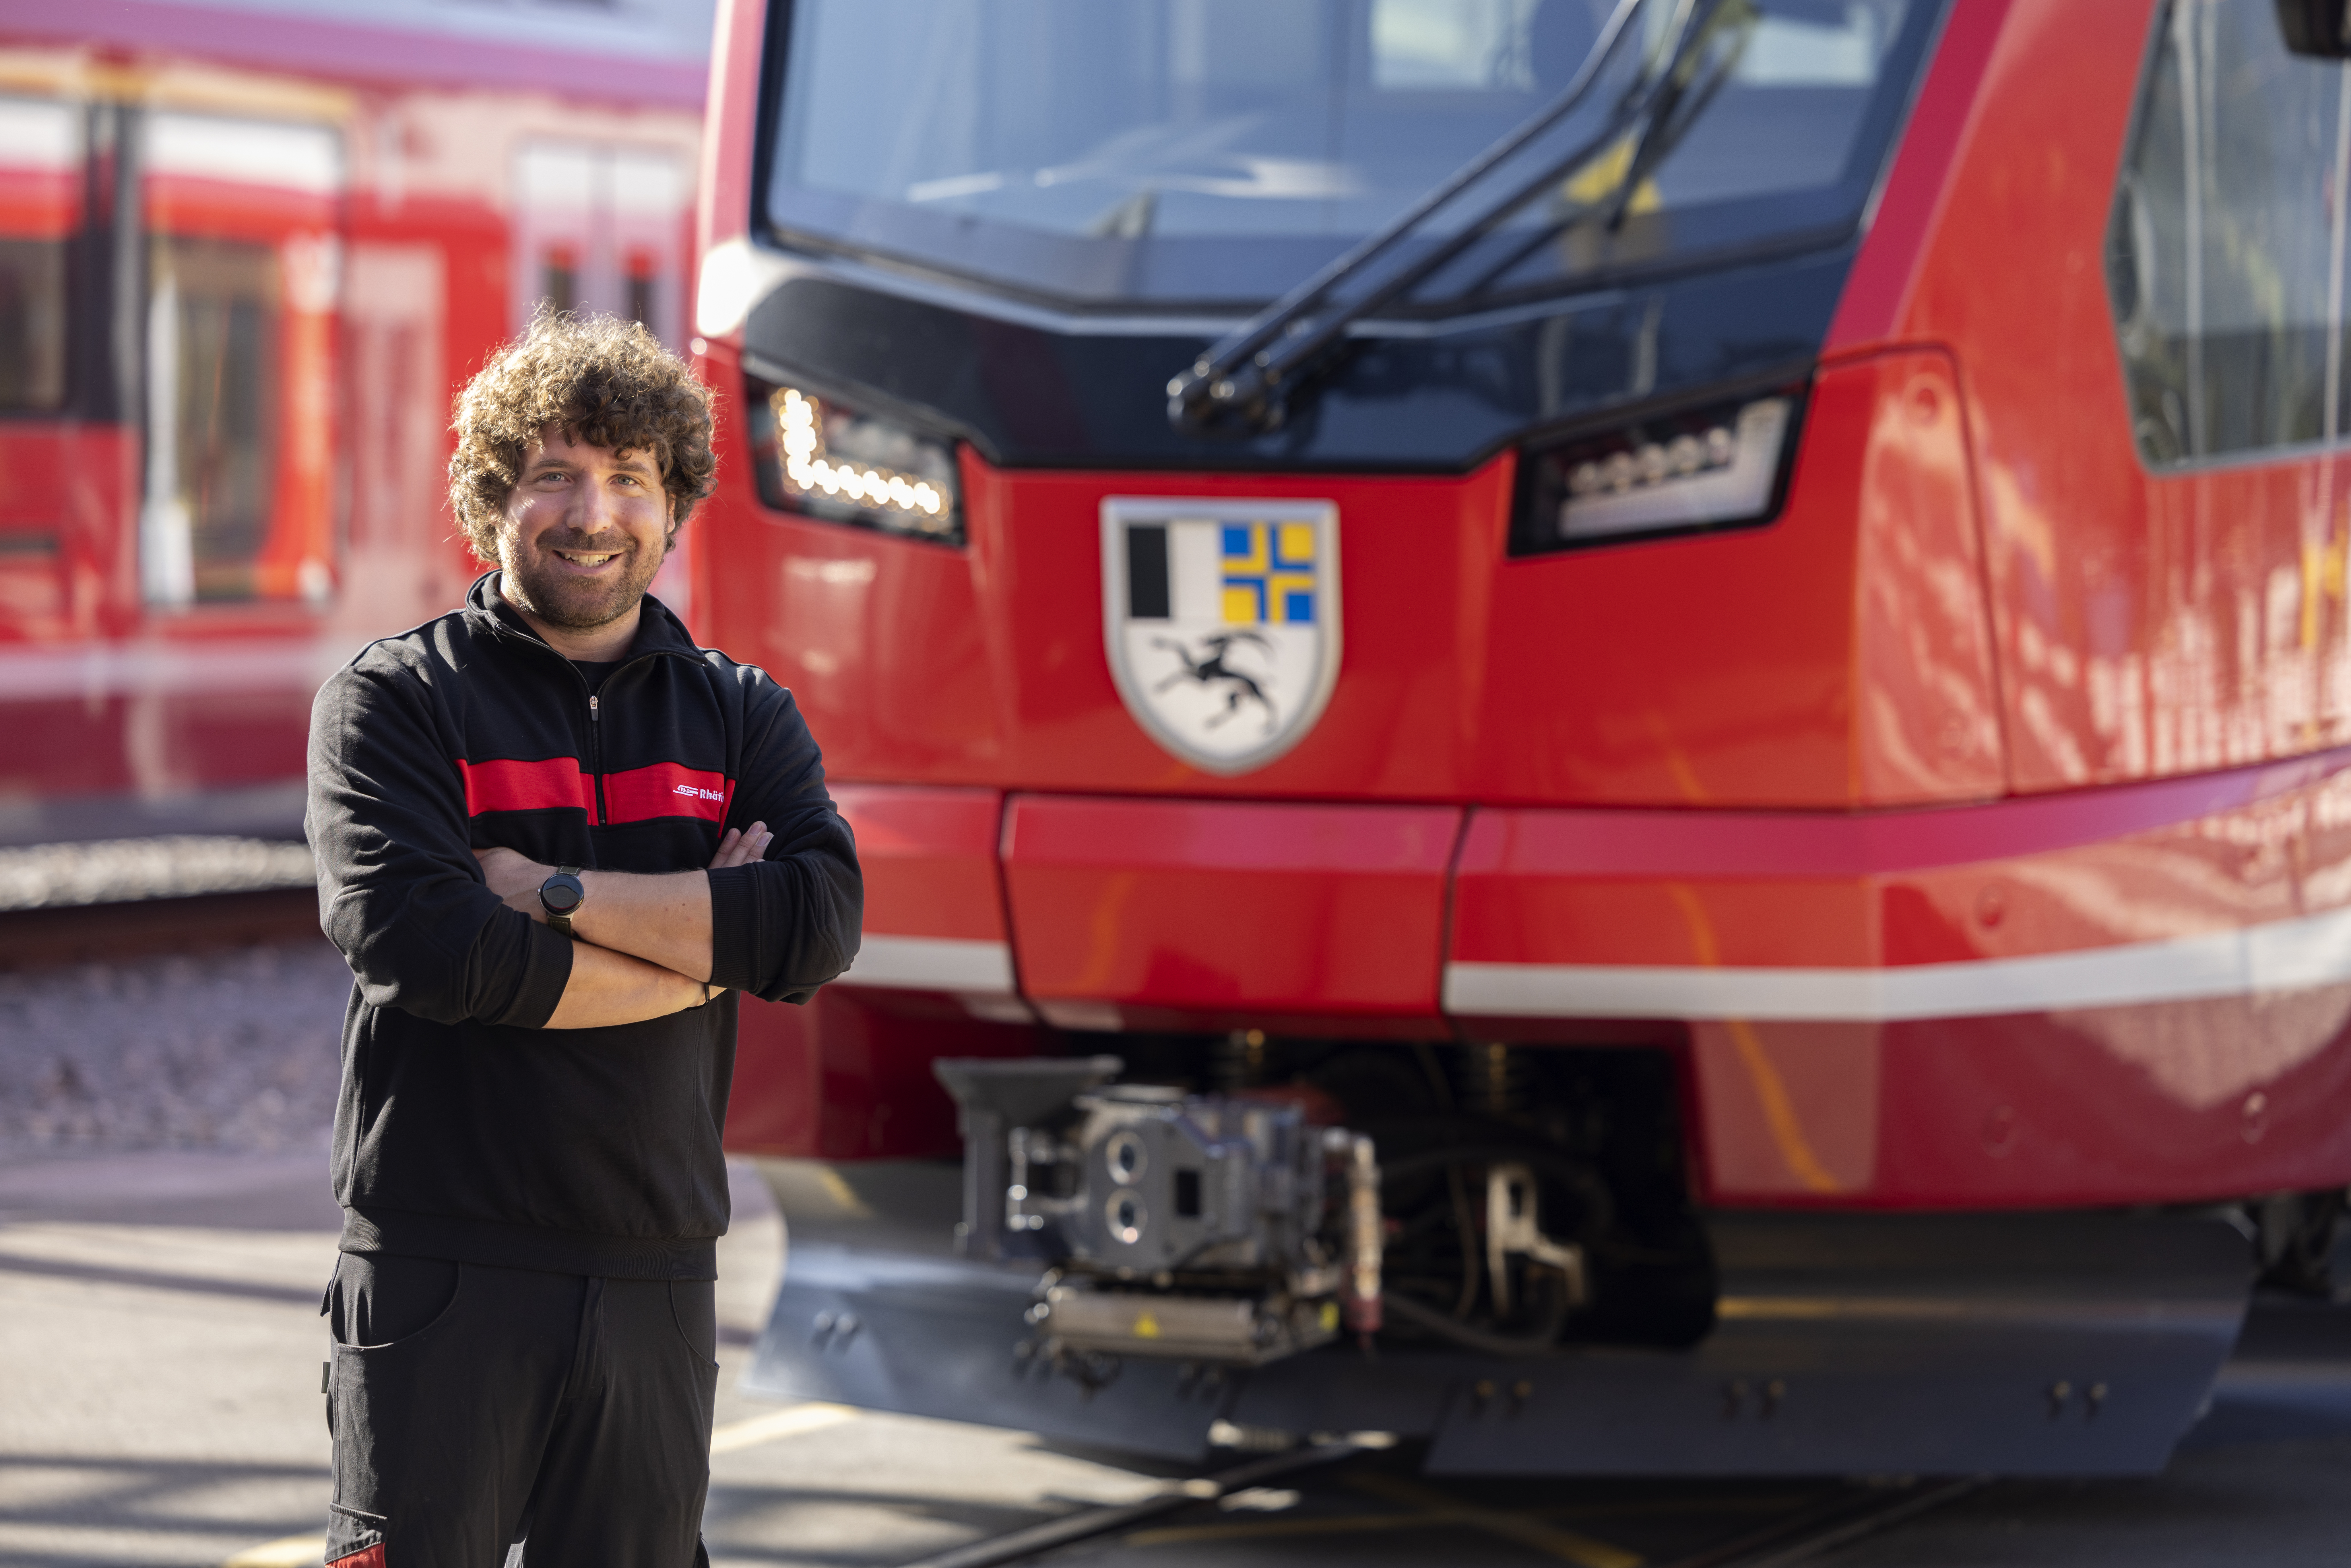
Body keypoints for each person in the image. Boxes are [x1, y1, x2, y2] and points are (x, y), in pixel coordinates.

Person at [304, 310, 861, 1568]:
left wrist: (549, 889)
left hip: (656, 1267)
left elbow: (817, 927)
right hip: (442, 1265)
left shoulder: (739, 713)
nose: (591, 512)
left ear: (673, 507)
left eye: (628, 479)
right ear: (493, 495)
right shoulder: (395, 700)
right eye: (553, 473)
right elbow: (431, 949)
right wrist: (707, 946)